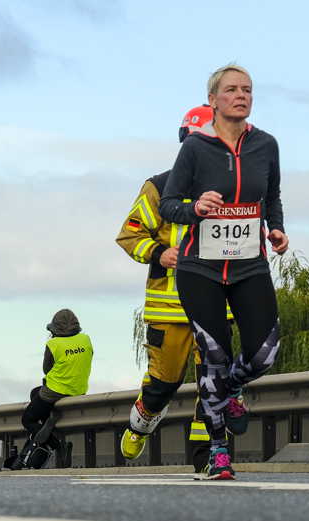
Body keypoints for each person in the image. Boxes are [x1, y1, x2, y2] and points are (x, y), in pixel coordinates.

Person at [160, 64, 287, 481]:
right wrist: (195, 209)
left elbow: (272, 198)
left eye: (247, 90)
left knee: (265, 353)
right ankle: (218, 453)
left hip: (250, 266)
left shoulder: (266, 145)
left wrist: (276, 229)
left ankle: (232, 389)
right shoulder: (195, 148)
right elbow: (169, 205)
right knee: (214, 356)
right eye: (231, 90)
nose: (241, 95)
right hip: (200, 269)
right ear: (212, 99)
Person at [116, 105, 219, 473]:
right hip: (168, 309)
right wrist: (160, 253)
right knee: (164, 383)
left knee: (213, 383)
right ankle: (140, 423)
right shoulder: (159, 187)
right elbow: (129, 235)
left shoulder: (236, 191)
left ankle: (206, 458)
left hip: (214, 308)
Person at [5, 309, 92, 470]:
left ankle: (60, 447)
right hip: (78, 389)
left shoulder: (53, 344)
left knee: (28, 420)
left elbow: (46, 369)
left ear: (55, 329)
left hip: (55, 391)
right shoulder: (86, 339)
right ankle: (47, 422)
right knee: (34, 393)